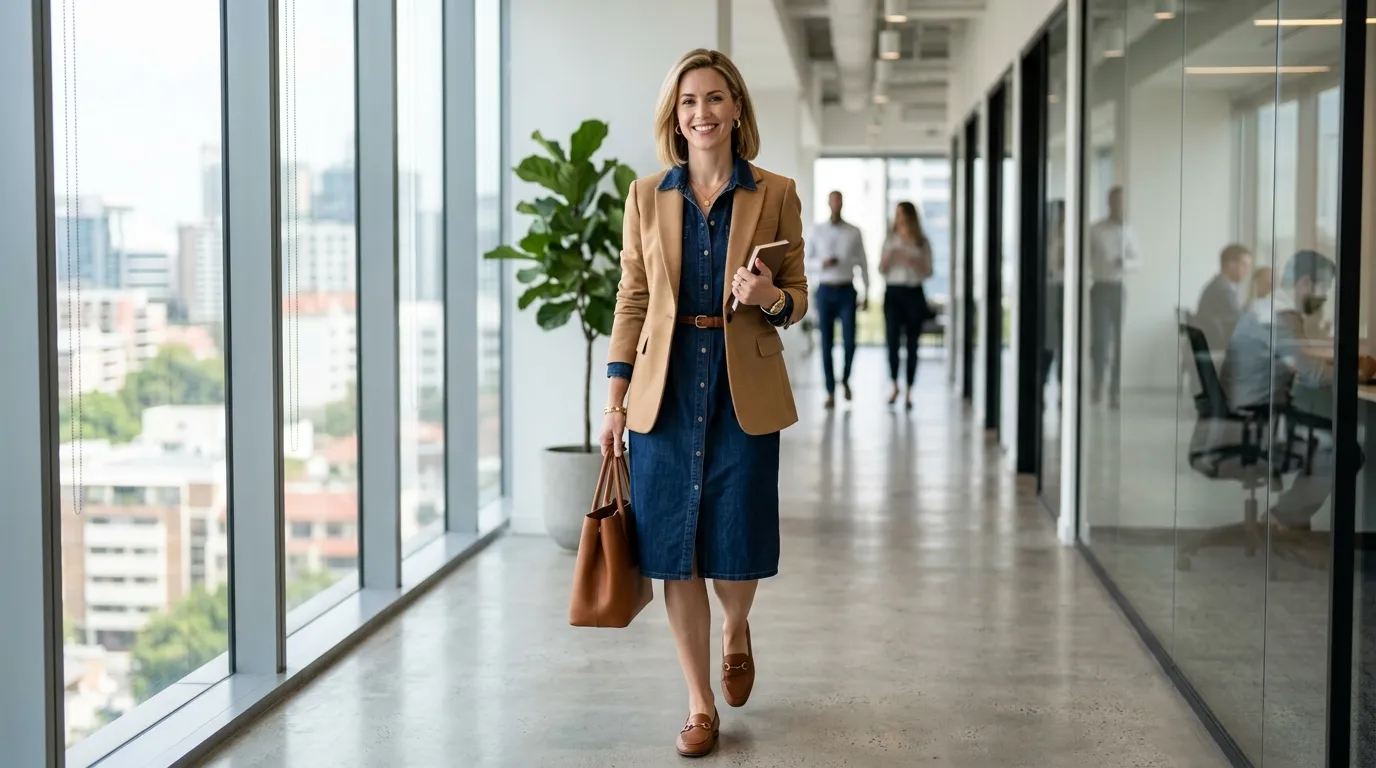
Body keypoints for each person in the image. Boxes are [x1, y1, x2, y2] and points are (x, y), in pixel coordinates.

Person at [598, 48, 808, 758]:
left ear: (736, 108)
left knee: (736, 544)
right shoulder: (645, 195)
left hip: (741, 388)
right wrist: (615, 402)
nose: (702, 112)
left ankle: (736, 625)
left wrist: (769, 297)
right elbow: (632, 299)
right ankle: (699, 703)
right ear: (675, 115)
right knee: (673, 552)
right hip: (663, 389)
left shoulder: (775, 192)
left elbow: (798, 296)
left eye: (715, 98)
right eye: (689, 101)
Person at [806, 190, 868, 408]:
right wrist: (822, 264)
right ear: (828, 203)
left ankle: (846, 378)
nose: (836, 205)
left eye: (839, 201)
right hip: (825, 290)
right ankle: (830, 391)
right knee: (826, 343)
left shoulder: (854, 232)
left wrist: (867, 290)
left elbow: (863, 262)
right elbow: (806, 262)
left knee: (850, 341)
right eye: (833, 201)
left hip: (846, 290)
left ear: (842, 203)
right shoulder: (817, 231)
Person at [1086, 185, 1141, 408]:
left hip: (1119, 288)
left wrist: (1124, 262)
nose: (1119, 205)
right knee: (1099, 340)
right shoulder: (1096, 230)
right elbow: (1085, 259)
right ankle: (1098, 383)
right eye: (1116, 201)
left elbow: (1139, 261)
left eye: (1122, 201)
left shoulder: (1129, 231)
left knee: (1118, 341)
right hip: (1100, 287)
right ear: (1109, 202)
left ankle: (1114, 391)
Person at [877, 201, 933, 409]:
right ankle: (894, 385)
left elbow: (928, 271)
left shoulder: (921, 242)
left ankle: (909, 390)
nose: (899, 218)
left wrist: (912, 261)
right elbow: (881, 269)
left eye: (902, 214)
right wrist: (890, 257)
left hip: (914, 293)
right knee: (892, 341)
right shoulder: (890, 239)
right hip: (893, 293)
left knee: (912, 343)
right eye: (897, 214)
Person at [1194, 243, 1253, 353]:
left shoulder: (1219, 285)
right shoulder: (1222, 290)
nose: (1247, 271)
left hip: (1213, 346)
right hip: (1218, 349)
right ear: (1230, 264)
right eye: (1244, 265)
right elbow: (1240, 322)